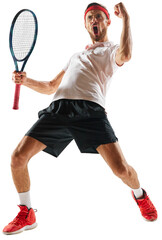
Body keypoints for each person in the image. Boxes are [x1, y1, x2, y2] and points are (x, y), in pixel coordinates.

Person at [3, 2, 157, 235]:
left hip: (90, 112)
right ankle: (27, 212)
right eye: (90, 18)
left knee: (121, 170)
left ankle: (140, 195)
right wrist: (26, 81)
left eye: (98, 17)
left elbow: (127, 54)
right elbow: (51, 87)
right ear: (85, 24)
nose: (94, 20)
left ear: (107, 22)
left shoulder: (111, 50)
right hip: (58, 110)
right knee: (17, 158)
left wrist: (127, 18)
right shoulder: (76, 56)